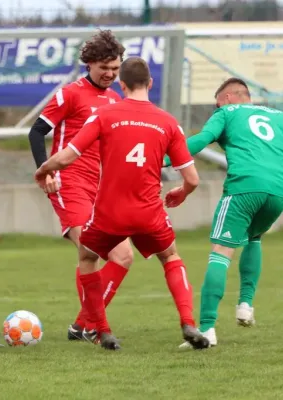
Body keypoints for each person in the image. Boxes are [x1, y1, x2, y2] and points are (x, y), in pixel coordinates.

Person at [35, 56, 210, 351]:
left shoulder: (104, 114)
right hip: (149, 211)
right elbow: (192, 178)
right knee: (170, 257)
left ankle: (102, 330)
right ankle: (188, 322)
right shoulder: (168, 122)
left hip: (109, 213)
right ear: (150, 84)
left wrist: (43, 170)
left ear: (122, 84)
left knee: (87, 257)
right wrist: (182, 193)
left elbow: (67, 156)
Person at [165, 78, 283, 348]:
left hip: (245, 187)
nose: (216, 110)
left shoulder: (226, 113)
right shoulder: (279, 116)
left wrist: (163, 159)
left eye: (216, 104)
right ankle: (245, 305)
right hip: (280, 191)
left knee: (221, 251)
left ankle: (207, 328)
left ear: (226, 98)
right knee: (254, 236)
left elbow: (201, 140)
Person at [28, 29, 134, 342]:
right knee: (90, 250)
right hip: (69, 182)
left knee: (124, 256)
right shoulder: (70, 94)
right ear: (89, 64)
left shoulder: (115, 100)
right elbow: (36, 132)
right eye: (104, 68)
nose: (110, 74)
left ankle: (83, 324)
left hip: (101, 188)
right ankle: (95, 326)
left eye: (115, 68)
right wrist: (46, 172)